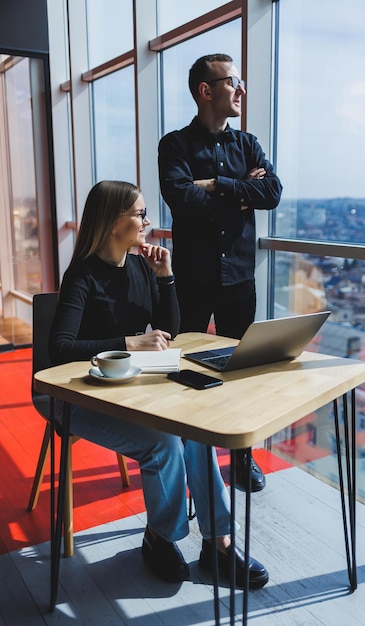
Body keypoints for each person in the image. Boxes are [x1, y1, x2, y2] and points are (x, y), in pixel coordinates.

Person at [49, 180, 269, 589]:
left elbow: (173, 330)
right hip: (80, 398)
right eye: (139, 214)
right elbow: (60, 349)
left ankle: (218, 543)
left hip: (134, 391)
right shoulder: (81, 275)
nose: (147, 222)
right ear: (113, 222)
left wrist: (166, 277)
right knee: (164, 443)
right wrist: (129, 343)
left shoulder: (138, 267)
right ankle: (160, 537)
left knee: (196, 434)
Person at [158, 53, 283, 492]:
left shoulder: (247, 143)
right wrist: (240, 193)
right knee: (179, 370)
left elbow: (272, 192)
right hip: (192, 279)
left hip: (239, 281)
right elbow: (181, 198)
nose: (242, 91)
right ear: (206, 90)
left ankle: (241, 459)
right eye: (234, 82)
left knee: (241, 372)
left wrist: (216, 185)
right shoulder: (174, 146)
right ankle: (184, 459)